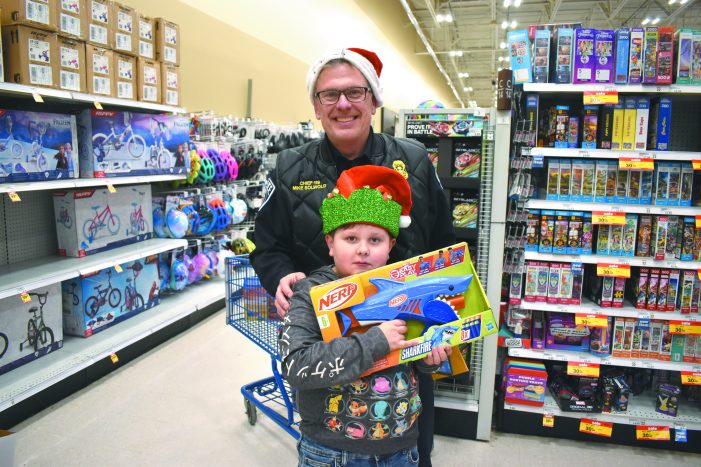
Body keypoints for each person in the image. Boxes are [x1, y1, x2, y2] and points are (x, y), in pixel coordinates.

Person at [251, 47, 455, 466]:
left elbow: (444, 241)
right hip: (327, 347)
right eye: (329, 95)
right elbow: (266, 244)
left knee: (411, 444)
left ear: (375, 100)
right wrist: (282, 276)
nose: (343, 104)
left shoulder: (414, 160)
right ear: (316, 106)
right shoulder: (289, 167)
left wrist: (442, 323)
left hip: (404, 341)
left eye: (355, 92)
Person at [279, 165, 452, 466]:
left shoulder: (405, 289)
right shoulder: (310, 293)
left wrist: (429, 357)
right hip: (332, 451)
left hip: (402, 446)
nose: (363, 250)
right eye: (350, 239)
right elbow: (296, 365)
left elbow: (414, 357)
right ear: (330, 244)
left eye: (375, 240)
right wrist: (375, 341)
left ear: (390, 247)